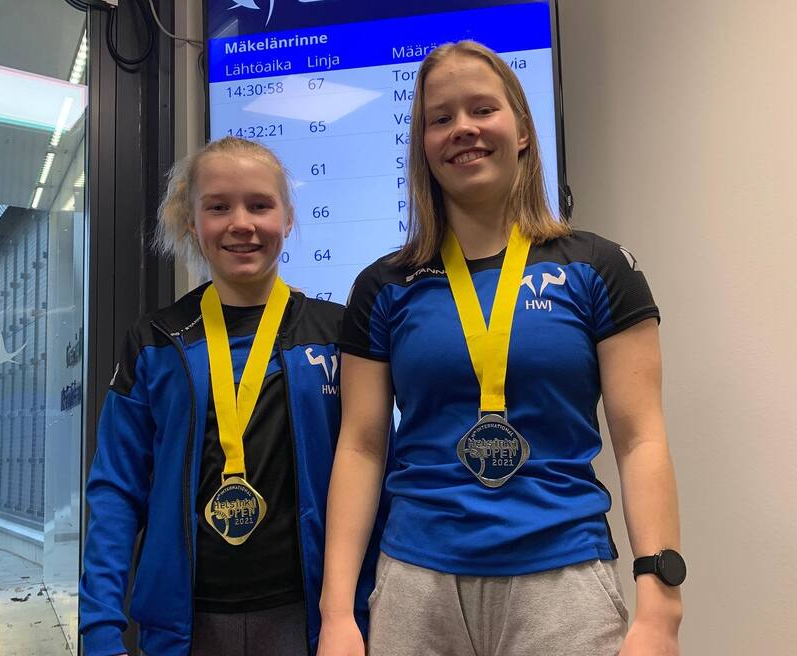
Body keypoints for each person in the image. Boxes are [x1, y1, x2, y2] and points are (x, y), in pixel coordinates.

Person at [318, 41, 684, 656]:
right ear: (423, 146)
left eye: (482, 109)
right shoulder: (384, 286)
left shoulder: (598, 267)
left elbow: (640, 437)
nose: (463, 128)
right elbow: (360, 446)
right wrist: (337, 615)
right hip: (416, 583)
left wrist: (661, 607)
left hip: (562, 579)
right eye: (440, 118)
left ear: (522, 130)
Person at [79, 136, 386, 656]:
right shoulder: (155, 342)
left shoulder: (336, 334)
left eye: (260, 205)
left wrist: (365, 607)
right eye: (218, 207)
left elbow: (376, 469)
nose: (241, 223)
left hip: (309, 620)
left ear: (288, 218)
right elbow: (116, 490)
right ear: (191, 223)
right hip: (185, 626)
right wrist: (100, 629)